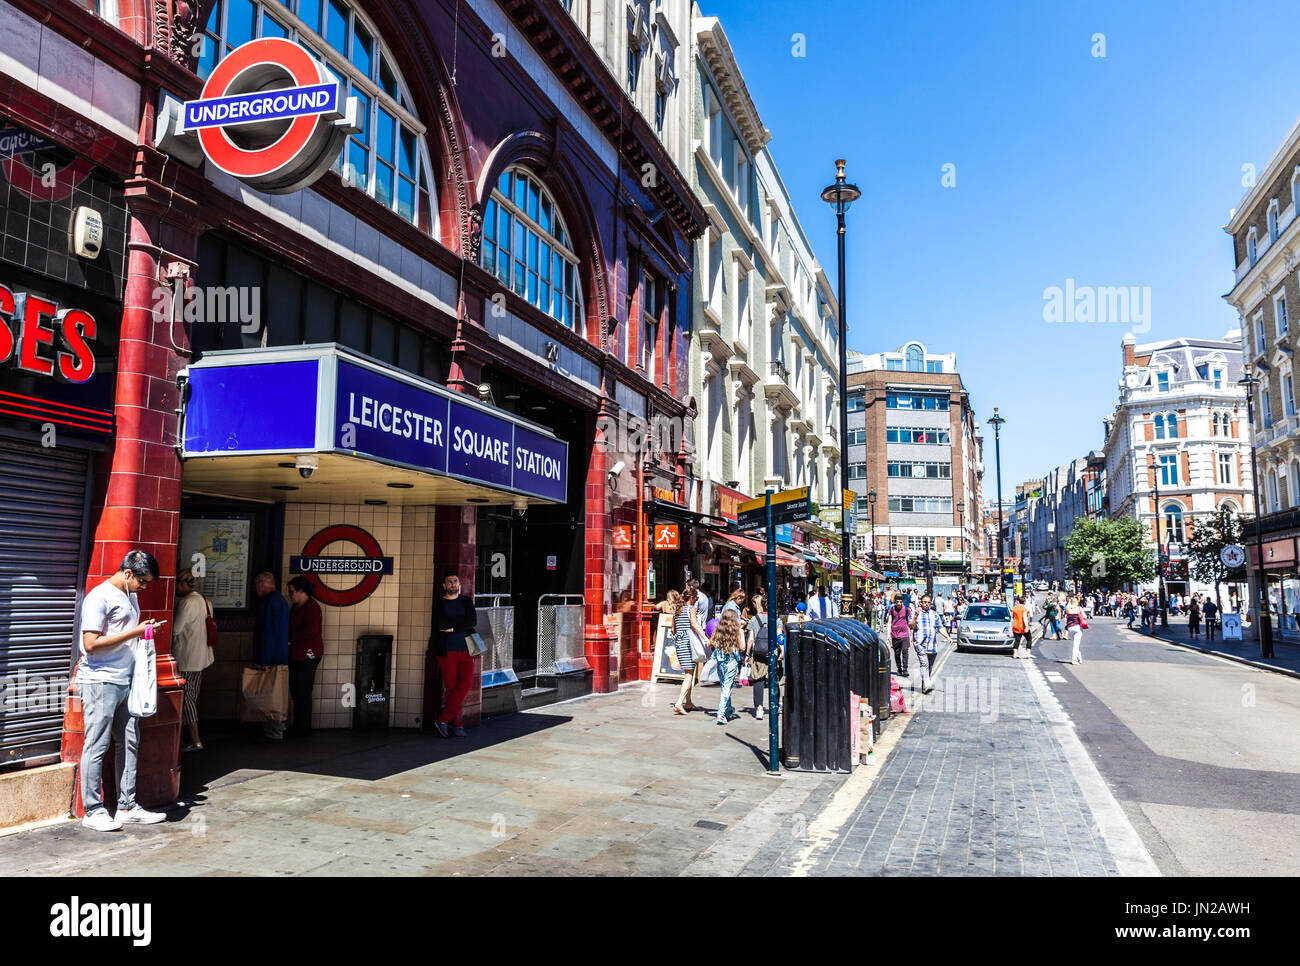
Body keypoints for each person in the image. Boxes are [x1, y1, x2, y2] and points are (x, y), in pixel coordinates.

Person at [77, 550, 168, 831]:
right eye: (143, 581)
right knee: (97, 744)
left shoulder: (131, 595)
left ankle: (127, 806)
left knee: (129, 740)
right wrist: (135, 632)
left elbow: (126, 631)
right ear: (128, 573)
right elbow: (90, 644)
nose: (144, 587)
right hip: (100, 680)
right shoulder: (98, 597)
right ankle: (92, 811)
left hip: (126, 680)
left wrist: (145, 629)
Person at [172, 568, 214, 753]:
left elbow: (176, 630)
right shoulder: (205, 601)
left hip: (187, 658)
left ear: (182, 584)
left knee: (186, 700)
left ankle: (195, 740)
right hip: (201, 658)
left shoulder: (187, 603)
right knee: (191, 698)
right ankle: (188, 738)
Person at [431, 573, 477, 737]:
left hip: (466, 650)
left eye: (455, 581)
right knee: (451, 688)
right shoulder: (439, 604)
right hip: (446, 651)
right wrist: (459, 624)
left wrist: (452, 627)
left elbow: (472, 621)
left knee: (465, 685)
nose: (452, 584)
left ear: (459, 585)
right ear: (444, 585)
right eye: (449, 581)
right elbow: (440, 624)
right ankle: (456, 724)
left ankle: (443, 719)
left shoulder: (466, 601)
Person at [252, 571, 290, 742]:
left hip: (272, 658)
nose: (256, 589)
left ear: (263, 583)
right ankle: (276, 728)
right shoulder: (279, 600)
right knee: (276, 693)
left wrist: (264, 660)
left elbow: (269, 633)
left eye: (256, 585)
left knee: (271, 695)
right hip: (279, 655)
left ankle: (274, 731)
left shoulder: (271, 602)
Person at [287, 576, 324, 738]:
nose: (290, 595)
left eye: (292, 591)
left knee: (303, 691)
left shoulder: (312, 607)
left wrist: (290, 639)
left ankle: (303, 728)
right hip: (296, 654)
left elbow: (312, 630)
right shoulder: (295, 607)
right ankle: (299, 726)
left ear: (302, 591)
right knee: (296, 690)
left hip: (308, 654)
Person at [670, 588, 707, 715]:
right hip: (688, 643)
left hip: (680, 643)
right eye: (696, 597)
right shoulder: (691, 609)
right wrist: (705, 638)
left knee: (688, 672)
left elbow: (673, 630)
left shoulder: (676, 611)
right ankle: (679, 703)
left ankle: (689, 703)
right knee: (689, 675)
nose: (697, 600)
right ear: (691, 598)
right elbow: (694, 624)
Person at [746, 593, 782, 720]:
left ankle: (759, 709)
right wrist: (782, 650)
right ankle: (775, 705)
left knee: (758, 681)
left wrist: (747, 654)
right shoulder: (776, 620)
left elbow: (750, 639)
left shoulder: (754, 619)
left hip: (758, 653)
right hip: (772, 653)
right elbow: (779, 637)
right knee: (774, 679)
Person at [711, 610, 743, 725]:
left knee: (725, 686)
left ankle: (728, 710)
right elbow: (742, 647)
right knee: (726, 688)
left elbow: (710, 644)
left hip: (720, 664)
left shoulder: (718, 631)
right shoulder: (737, 631)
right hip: (731, 663)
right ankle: (720, 714)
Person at [912, 595, 946, 694]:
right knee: (924, 664)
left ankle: (925, 687)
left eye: (929, 602)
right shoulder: (916, 612)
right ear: (921, 603)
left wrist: (947, 637)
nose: (927, 604)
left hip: (932, 645)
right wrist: (915, 616)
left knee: (929, 668)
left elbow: (940, 627)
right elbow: (911, 626)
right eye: (925, 602)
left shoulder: (934, 614)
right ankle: (927, 684)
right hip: (920, 644)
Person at [887, 593, 914, 676]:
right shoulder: (891, 609)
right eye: (897, 601)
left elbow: (911, 623)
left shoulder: (907, 610)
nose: (898, 603)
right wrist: (888, 635)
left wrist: (911, 634)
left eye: (900, 602)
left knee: (905, 651)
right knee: (897, 653)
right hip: (895, 634)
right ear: (895, 601)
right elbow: (889, 622)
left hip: (905, 634)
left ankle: (905, 669)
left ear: (903, 601)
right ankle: (899, 669)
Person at [1065, 594, 1085, 665]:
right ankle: (1074, 660)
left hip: (1070, 627)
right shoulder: (1079, 608)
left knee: (1076, 643)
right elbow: (1084, 616)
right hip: (1077, 627)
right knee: (1076, 645)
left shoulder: (1068, 609)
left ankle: (1079, 658)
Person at [1011, 595, 1033, 659]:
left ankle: (1015, 654)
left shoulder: (1014, 608)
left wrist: (1011, 628)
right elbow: (1025, 618)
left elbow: (1012, 618)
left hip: (1016, 626)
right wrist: (1026, 626)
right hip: (1022, 627)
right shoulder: (1024, 608)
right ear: (1024, 602)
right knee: (1029, 639)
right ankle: (1028, 654)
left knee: (1017, 640)